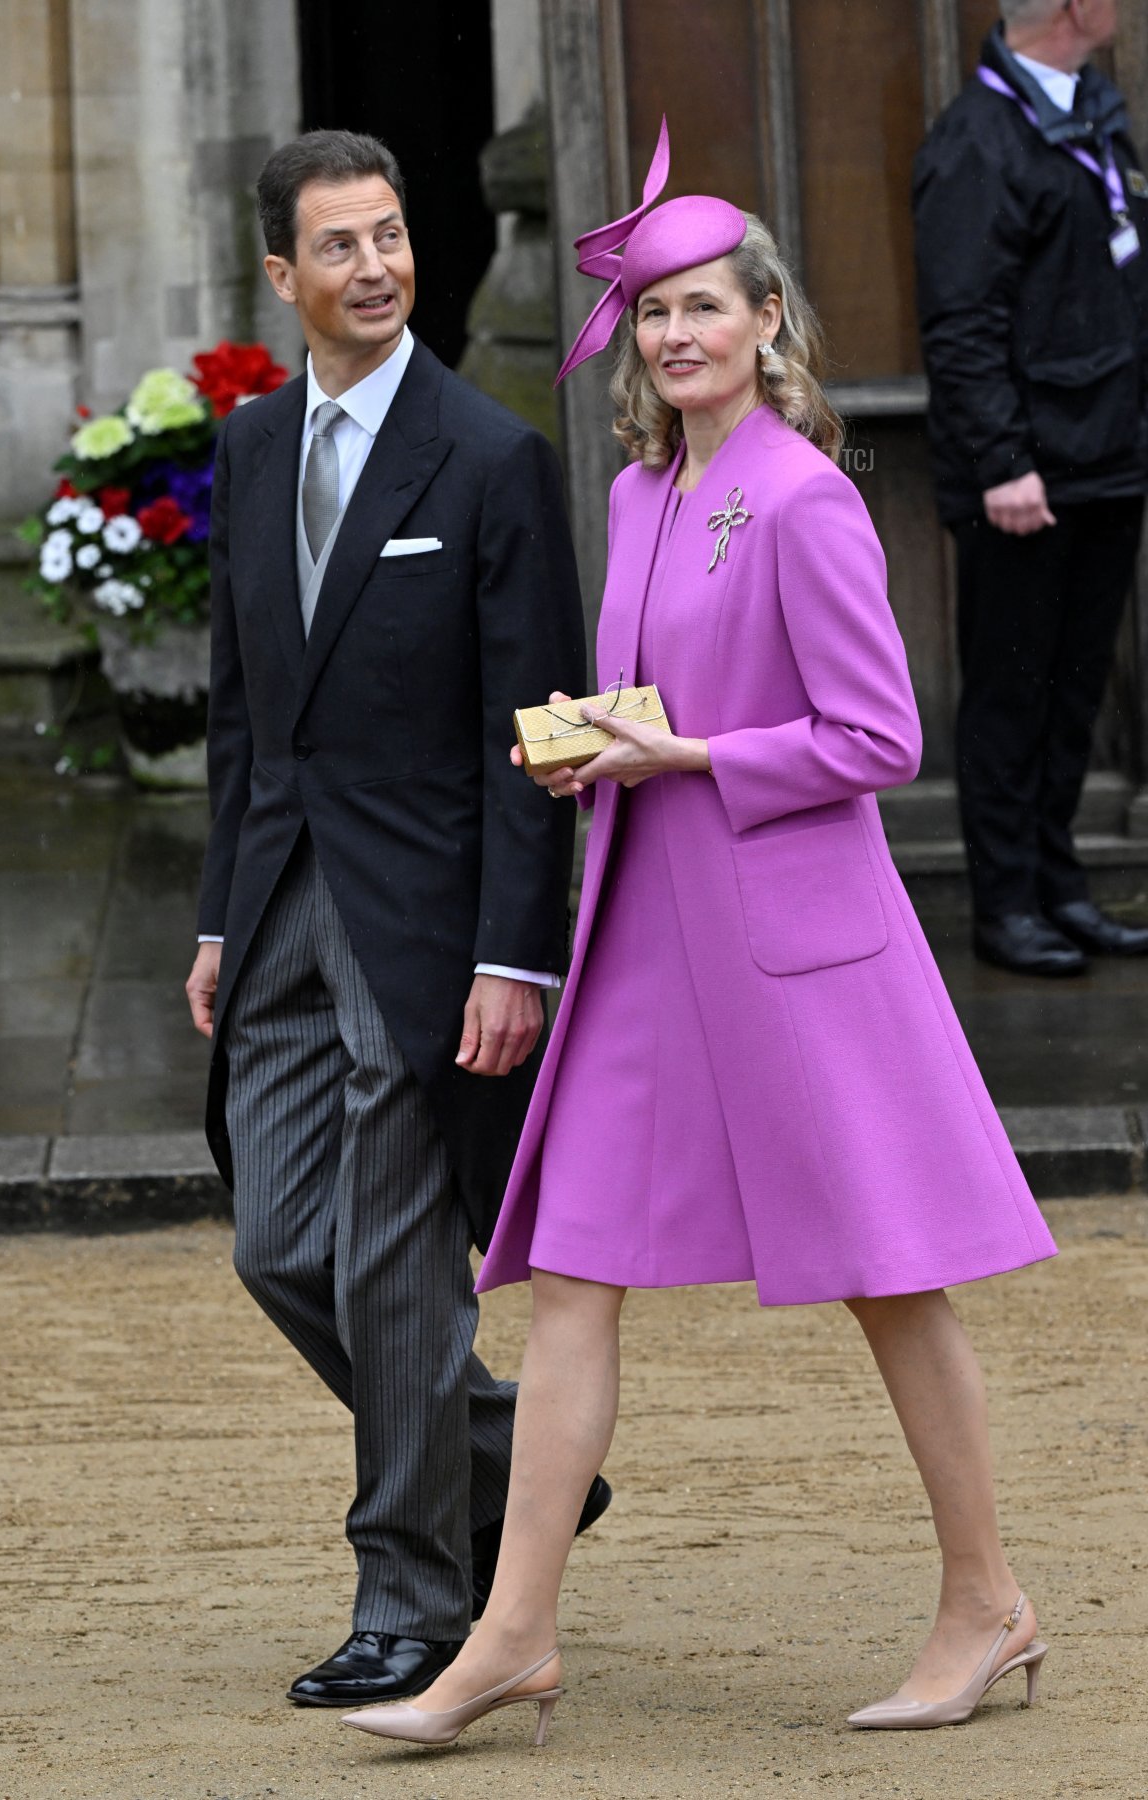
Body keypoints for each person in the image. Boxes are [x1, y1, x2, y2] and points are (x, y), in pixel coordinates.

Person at [341, 119, 1057, 1751]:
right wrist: (595, 742)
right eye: (654, 312)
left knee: (893, 1279)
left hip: (797, 948)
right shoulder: (649, 490)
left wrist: (691, 757)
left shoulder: (803, 500)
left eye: (704, 310)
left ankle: (986, 1598)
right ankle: (511, 1633)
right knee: (572, 1276)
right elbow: (665, 696)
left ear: (766, 324)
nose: (675, 335)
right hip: (645, 941)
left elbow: (878, 742)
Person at [183, 128, 603, 1711]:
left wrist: (518, 954)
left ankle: (414, 1598)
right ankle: (498, 1457)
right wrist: (223, 916)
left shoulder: (489, 457)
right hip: (281, 907)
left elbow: (537, 734)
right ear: (280, 277)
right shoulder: (244, 448)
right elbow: (245, 713)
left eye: (391, 236)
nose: (376, 267)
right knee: (282, 1246)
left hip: (430, 931)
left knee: (397, 1273)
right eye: (339, 247)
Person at [913, 0, 1148, 976]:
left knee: (1071, 694)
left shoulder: (1094, 109)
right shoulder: (976, 142)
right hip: (1028, 478)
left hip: (1105, 459)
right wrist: (1005, 463)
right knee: (1012, 699)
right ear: (1076, 8)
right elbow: (961, 325)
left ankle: (1059, 888)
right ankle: (1005, 907)